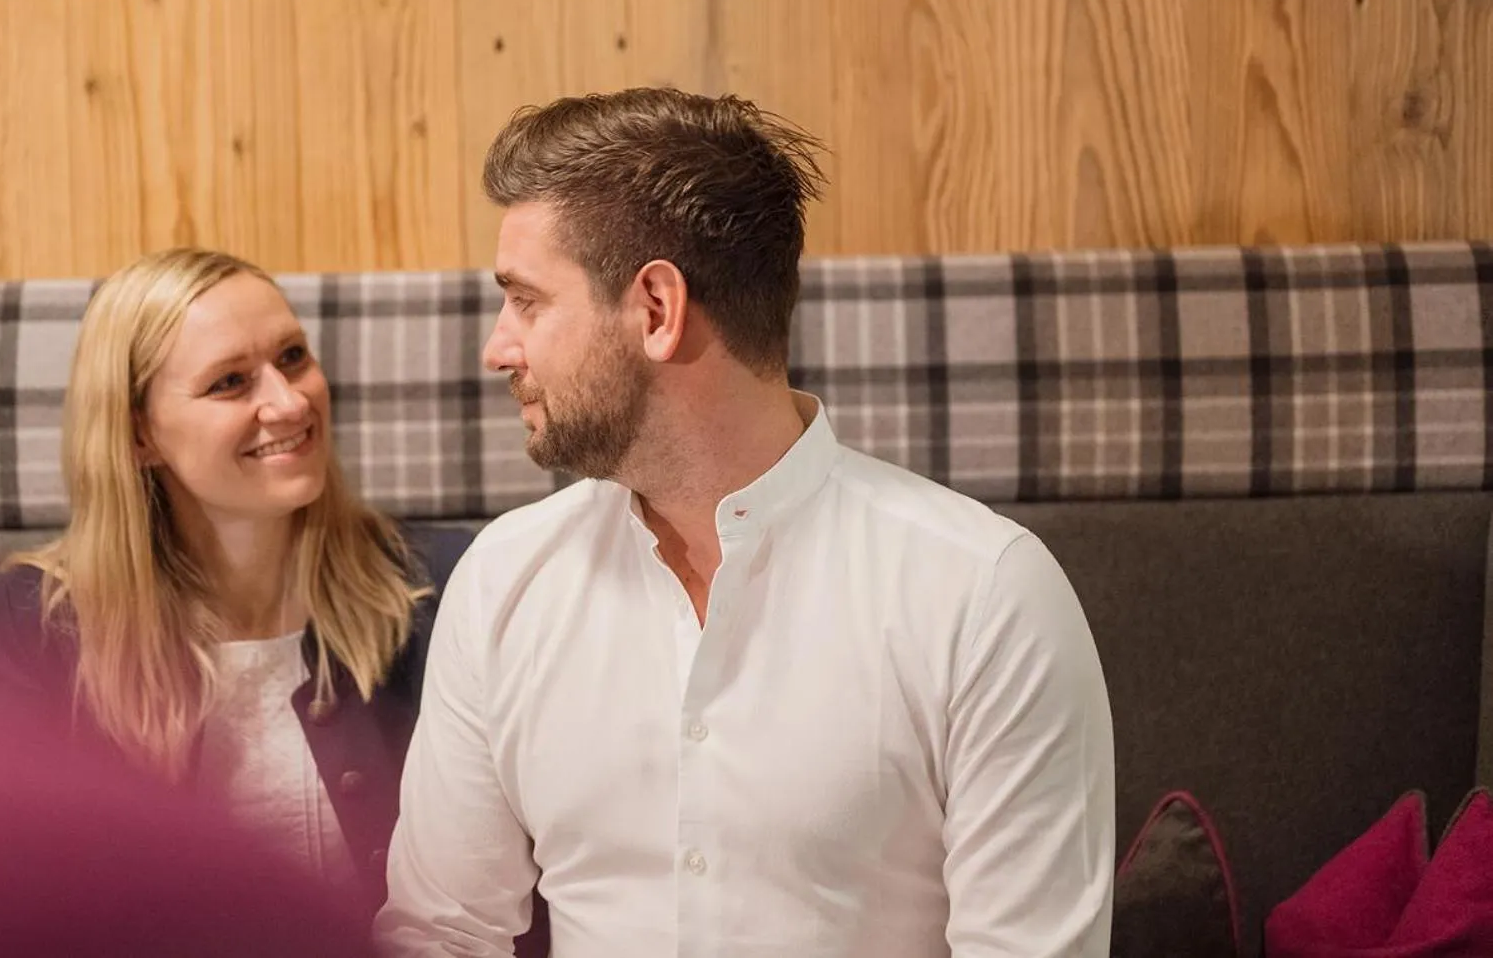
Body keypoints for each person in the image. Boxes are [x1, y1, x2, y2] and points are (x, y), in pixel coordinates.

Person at [376, 89, 1116, 956]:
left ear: (657, 309)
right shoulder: (505, 579)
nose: (499, 348)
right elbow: (443, 932)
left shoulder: (983, 596)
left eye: (527, 301)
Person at [0, 247, 462, 917]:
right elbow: (5, 893)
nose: (289, 402)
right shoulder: (42, 621)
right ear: (139, 435)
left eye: (293, 357)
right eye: (230, 382)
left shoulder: (444, 583)